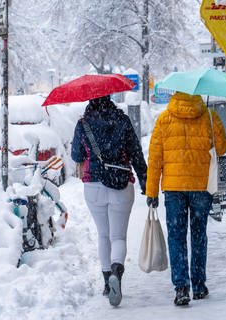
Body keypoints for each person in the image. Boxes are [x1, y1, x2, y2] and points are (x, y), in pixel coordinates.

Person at [145, 92, 226, 306]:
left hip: (174, 189)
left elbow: (155, 159)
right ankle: (199, 285)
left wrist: (151, 191)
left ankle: (181, 287)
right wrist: (212, 124)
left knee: (177, 236)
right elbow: (222, 148)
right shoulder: (208, 115)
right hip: (201, 187)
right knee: (199, 234)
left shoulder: (164, 119)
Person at [71, 95, 147, 307]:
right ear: (110, 98)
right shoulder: (122, 120)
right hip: (121, 185)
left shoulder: (83, 123)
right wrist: (146, 182)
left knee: (103, 235)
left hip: (94, 186)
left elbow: (76, 155)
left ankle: (106, 283)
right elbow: (136, 154)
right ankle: (116, 272)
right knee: (118, 237)